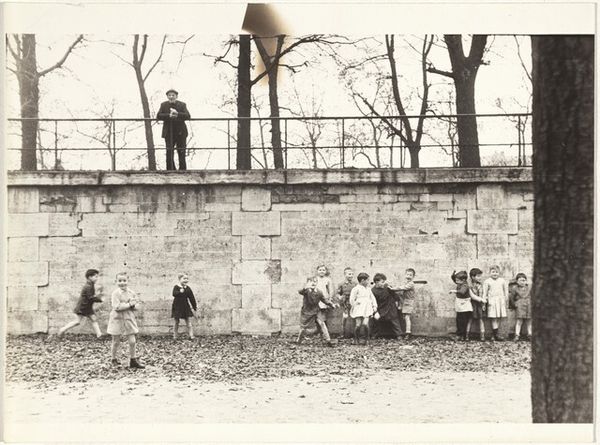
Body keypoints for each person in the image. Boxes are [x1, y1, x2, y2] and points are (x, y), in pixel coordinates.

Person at [107, 272, 144, 369]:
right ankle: (113, 359)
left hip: (128, 317)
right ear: (116, 281)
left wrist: (134, 305)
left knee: (132, 341)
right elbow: (117, 307)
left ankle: (133, 360)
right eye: (120, 281)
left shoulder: (131, 293)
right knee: (116, 341)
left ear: (128, 281)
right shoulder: (115, 293)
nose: (122, 283)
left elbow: (137, 305)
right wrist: (129, 305)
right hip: (117, 318)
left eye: (124, 280)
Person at [56, 269, 104, 338]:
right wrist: (100, 299)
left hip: (87, 306)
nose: (97, 278)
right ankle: (62, 330)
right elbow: (90, 297)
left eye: (97, 276)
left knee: (94, 319)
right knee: (77, 321)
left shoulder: (90, 285)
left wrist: (97, 297)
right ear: (90, 277)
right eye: (95, 276)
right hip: (83, 307)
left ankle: (99, 335)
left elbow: (91, 297)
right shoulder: (88, 286)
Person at [156, 89, 191, 171]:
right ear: (167, 96)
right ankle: (170, 170)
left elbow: (188, 116)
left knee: (181, 151)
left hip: (180, 132)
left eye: (173, 95)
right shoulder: (163, 105)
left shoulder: (182, 105)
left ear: (176, 96)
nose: (171, 97)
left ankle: (182, 170)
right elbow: (158, 115)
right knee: (169, 152)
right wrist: (169, 115)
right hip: (168, 132)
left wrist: (177, 114)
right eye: (169, 95)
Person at [296, 276, 335, 346]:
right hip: (307, 312)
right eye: (311, 281)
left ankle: (328, 340)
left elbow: (324, 300)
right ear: (307, 283)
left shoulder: (319, 292)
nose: (313, 283)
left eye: (315, 281)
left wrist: (331, 304)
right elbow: (300, 291)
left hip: (316, 310)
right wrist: (305, 287)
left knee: (322, 323)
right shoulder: (306, 291)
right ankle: (299, 340)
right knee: (303, 328)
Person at [349, 272, 378, 345]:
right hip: (359, 308)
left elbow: (372, 298)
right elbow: (352, 299)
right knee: (358, 325)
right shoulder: (355, 289)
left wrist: (374, 306)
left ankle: (367, 339)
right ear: (362, 280)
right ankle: (356, 339)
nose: (368, 282)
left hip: (367, 308)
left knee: (365, 324)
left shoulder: (368, 289)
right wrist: (355, 304)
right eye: (367, 280)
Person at [371, 273, 402, 339]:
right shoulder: (373, 291)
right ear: (376, 282)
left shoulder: (387, 287)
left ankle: (399, 334)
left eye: (384, 282)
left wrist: (397, 302)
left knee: (394, 319)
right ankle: (374, 334)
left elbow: (394, 294)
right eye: (382, 282)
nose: (384, 283)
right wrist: (375, 311)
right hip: (381, 307)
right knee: (376, 320)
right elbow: (373, 302)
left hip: (390, 306)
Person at [483, 265, 508, 341]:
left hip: (500, 301)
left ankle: (497, 334)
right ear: (489, 273)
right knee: (493, 318)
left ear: (499, 272)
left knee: (499, 318)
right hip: (492, 301)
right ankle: (494, 335)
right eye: (493, 272)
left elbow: (506, 292)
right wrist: (484, 303)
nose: (495, 273)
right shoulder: (487, 281)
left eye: (497, 272)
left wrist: (505, 301)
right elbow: (485, 293)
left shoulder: (502, 281)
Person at [171, 272, 198, 340]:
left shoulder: (188, 288)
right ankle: (175, 336)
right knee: (176, 322)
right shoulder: (176, 287)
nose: (186, 280)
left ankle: (191, 335)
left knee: (188, 321)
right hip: (177, 307)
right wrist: (180, 292)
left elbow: (192, 298)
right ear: (180, 279)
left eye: (187, 279)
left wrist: (194, 306)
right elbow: (174, 294)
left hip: (185, 307)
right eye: (184, 278)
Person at [394, 268, 416, 340]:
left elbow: (403, 288)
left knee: (407, 317)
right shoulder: (405, 283)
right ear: (405, 275)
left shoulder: (411, 284)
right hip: (403, 301)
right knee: (403, 317)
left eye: (410, 275)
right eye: (407, 274)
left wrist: (393, 289)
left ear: (413, 276)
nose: (408, 276)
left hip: (408, 301)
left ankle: (408, 333)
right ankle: (404, 332)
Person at [450, 270, 472, 341]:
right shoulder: (460, 283)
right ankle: (460, 335)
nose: (456, 282)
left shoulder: (465, 285)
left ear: (463, 280)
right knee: (459, 320)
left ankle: (462, 335)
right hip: (460, 304)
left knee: (463, 321)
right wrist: (453, 274)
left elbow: (462, 292)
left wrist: (454, 291)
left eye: (458, 280)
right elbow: (454, 279)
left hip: (464, 305)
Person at [509, 273, 532, 341]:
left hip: (528, 305)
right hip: (520, 306)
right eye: (520, 280)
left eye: (524, 280)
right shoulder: (515, 288)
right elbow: (511, 298)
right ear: (517, 281)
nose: (522, 282)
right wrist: (514, 305)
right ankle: (517, 335)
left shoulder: (529, 288)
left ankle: (530, 334)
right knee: (519, 321)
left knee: (529, 321)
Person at [467, 268, 487, 341]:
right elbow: (472, 295)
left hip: (479, 304)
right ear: (473, 277)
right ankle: (467, 335)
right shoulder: (469, 285)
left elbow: (483, 294)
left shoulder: (481, 285)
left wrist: (483, 304)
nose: (480, 278)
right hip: (472, 304)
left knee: (481, 319)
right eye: (478, 276)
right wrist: (481, 300)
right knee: (470, 319)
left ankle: (482, 335)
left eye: (480, 276)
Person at [336, 267, 356, 338]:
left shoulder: (355, 284)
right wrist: (340, 297)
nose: (351, 276)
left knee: (354, 318)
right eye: (349, 274)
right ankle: (343, 333)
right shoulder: (341, 284)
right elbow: (338, 293)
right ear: (345, 275)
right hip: (345, 303)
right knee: (344, 318)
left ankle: (354, 334)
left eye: (352, 274)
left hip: (353, 302)